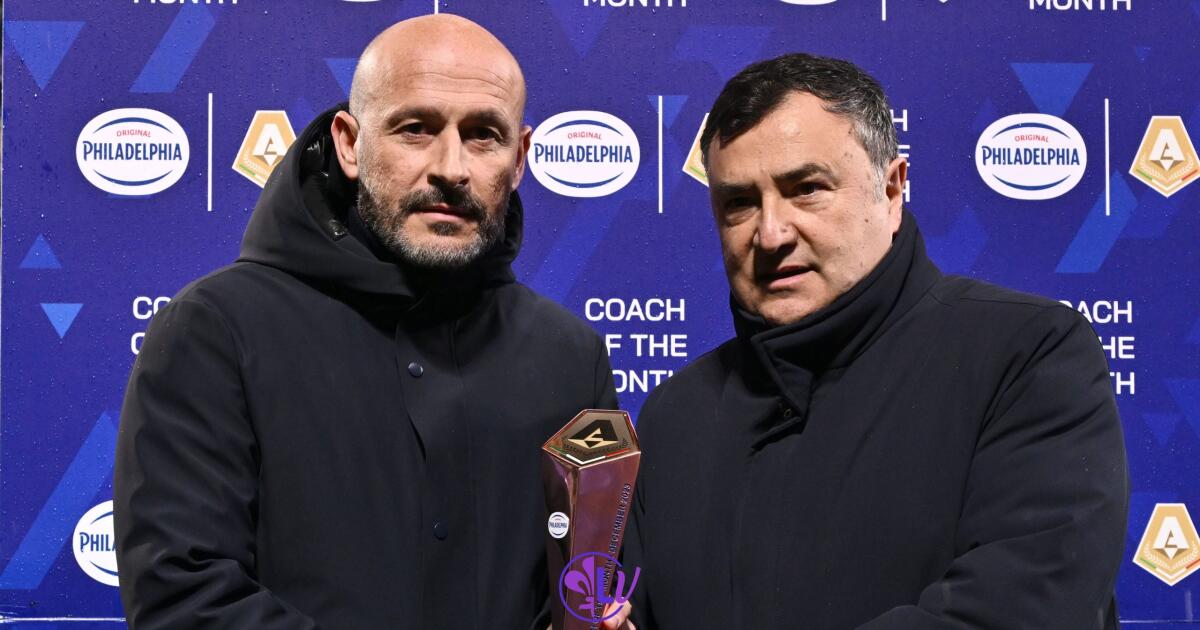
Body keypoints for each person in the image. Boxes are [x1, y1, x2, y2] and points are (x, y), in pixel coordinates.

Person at [114, 15, 617, 630]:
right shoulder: (215, 330)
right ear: (350, 144)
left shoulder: (572, 357)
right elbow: (183, 597)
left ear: (519, 161)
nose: (451, 167)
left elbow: (587, 593)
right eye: (416, 129)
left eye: (483, 135)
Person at [621, 53, 1129, 629]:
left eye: (806, 189)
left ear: (891, 191)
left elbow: (1015, 612)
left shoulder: (1027, 354)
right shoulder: (675, 415)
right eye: (739, 203)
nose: (771, 233)